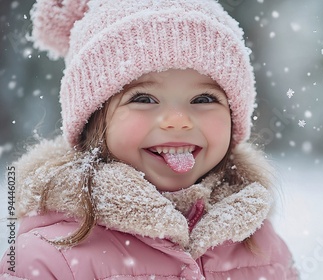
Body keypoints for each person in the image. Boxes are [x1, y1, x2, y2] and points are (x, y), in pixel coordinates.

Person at [0, 0, 298, 279]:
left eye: (204, 98)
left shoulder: (260, 246)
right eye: (144, 98)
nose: (178, 121)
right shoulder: (48, 257)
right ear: (92, 120)